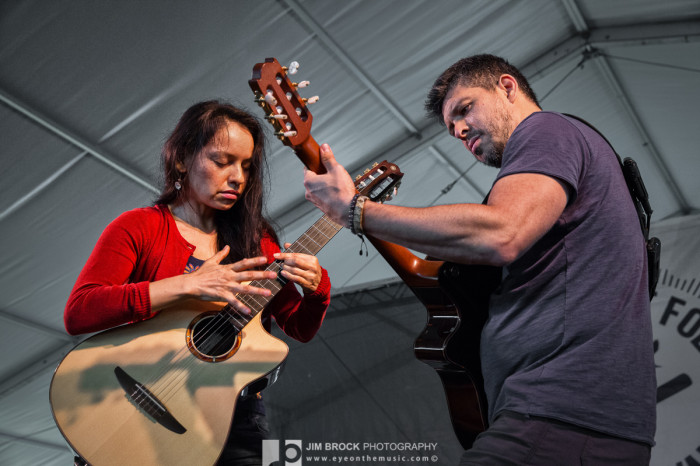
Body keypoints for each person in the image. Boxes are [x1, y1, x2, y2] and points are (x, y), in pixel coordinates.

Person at [303, 54, 656, 464]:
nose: (459, 129)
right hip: (574, 421)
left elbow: (502, 233)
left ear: (507, 87)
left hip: (558, 415)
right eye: (452, 127)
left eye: (464, 109)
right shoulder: (556, 172)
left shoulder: (545, 129)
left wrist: (356, 211)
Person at [64, 100, 331, 465]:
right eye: (223, 161)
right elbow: (79, 312)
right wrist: (185, 285)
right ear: (182, 159)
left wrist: (317, 288)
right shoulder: (138, 226)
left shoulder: (259, 241)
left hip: (238, 420)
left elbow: (299, 328)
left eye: (247, 166)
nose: (237, 176)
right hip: (134, 403)